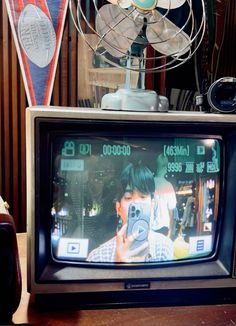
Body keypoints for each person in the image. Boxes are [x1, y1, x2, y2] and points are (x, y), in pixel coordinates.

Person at [87, 162, 174, 263]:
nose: (136, 203)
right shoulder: (98, 257)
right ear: (118, 207)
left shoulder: (164, 246)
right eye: (128, 197)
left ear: (152, 205)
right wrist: (118, 265)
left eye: (143, 196)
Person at [152, 154, 177, 239]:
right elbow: (171, 211)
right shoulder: (168, 185)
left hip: (150, 227)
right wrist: (170, 232)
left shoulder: (149, 183)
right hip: (164, 227)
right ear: (164, 167)